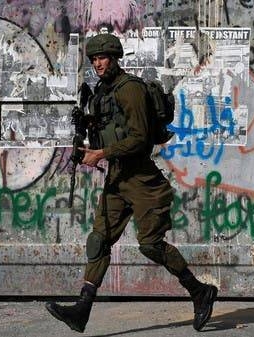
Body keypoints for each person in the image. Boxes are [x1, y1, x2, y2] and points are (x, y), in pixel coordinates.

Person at [45, 33, 218, 333]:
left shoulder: (131, 90)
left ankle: (200, 291)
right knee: (98, 241)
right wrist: (86, 125)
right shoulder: (103, 92)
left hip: (142, 179)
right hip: (117, 177)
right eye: (94, 59)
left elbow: (139, 139)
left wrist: (101, 153)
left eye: (103, 58)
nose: (98, 64)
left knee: (150, 245)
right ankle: (82, 310)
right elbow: (110, 127)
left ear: (115, 58)